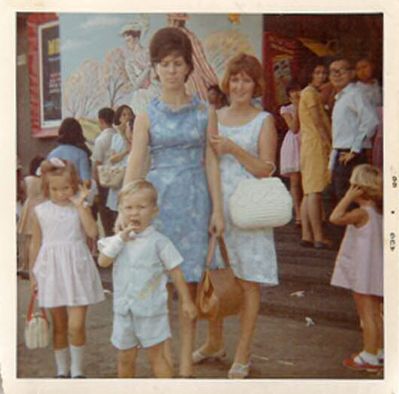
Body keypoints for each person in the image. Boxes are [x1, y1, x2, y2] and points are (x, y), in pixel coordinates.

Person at [118, 27, 223, 377]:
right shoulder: (146, 114)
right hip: (158, 205)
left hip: (195, 202)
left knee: (190, 282)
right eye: (165, 64)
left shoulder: (205, 111)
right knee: (158, 283)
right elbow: (136, 161)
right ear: (155, 68)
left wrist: (218, 209)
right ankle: (161, 361)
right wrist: (126, 208)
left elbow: (211, 159)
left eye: (178, 63)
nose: (172, 70)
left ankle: (186, 365)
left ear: (188, 67)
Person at [194, 53, 278, 379]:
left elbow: (267, 169)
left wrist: (234, 149)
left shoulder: (264, 120)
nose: (240, 86)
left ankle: (242, 351)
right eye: (235, 79)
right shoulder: (213, 115)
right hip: (217, 207)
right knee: (216, 275)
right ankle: (214, 341)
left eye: (247, 80)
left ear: (256, 85)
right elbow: (206, 161)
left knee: (248, 282)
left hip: (250, 211)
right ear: (227, 83)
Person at [98, 180, 197, 378]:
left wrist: (186, 301)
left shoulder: (159, 242)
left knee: (157, 356)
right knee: (125, 358)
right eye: (129, 207)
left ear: (154, 210)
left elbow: (176, 271)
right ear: (120, 210)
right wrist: (120, 239)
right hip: (124, 311)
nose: (135, 213)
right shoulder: (117, 241)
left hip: (152, 311)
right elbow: (103, 261)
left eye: (142, 207)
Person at [29, 158, 105, 378]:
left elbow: (92, 233)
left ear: (75, 185)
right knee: (59, 325)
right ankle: (62, 370)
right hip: (51, 270)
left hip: (76, 268)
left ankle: (78, 370)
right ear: (47, 187)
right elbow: (36, 242)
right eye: (54, 189)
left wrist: (81, 204)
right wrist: (34, 274)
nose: (61, 193)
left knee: (76, 324)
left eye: (66, 188)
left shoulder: (79, 208)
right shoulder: (41, 211)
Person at [330, 164, 383, 372]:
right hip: (376, 270)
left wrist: (347, 199)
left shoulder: (361, 213)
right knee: (376, 313)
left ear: (358, 188)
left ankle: (369, 356)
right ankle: (378, 350)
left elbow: (334, 218)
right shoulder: (380, 213)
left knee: (366, 314)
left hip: (363, 271)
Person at [328, 58, 379, 200]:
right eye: (333, 71)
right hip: (341, 153)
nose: (336, 74)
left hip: (352, 155)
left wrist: (355, 149)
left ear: (351, 74)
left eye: (341, 71)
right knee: (338, 198)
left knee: (350, 201)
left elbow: (371, 121)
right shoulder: (341, 97)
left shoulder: (356, 94)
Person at [298, 62, 332, 249]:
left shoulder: (311, 93)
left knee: (309, 190)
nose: (322, 76)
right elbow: (318, 122)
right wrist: (328, 142)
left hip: (310, 144)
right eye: (317, 72)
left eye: (323, 73)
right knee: (314, 191)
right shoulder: (310, 94)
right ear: (310, 74)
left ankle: (307, 234)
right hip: (315, 144)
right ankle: (318, 236)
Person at [106, 105, 135, 223]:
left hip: (131, 173)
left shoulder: (135, 133)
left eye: (129, 114)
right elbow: (112, 158)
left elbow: (133, 149)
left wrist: (125, 135)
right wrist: (124, 153)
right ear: (119, 118)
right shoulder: (115, 137)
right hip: (119, 176)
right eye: (124, 115)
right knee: (116, 209)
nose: (127, 117)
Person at [279, 81, 303, 225]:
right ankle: (298, 213)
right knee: (295, 182)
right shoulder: (286, 109)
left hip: (306, 141)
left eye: (298, 89)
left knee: (307, 181)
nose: (296, 93)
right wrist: (298, 107)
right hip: (294, 143)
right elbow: (294, 128)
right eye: (293, 91)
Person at [92, 107, 117, 236]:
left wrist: (95, 183)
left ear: (101, 120)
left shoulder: (100, 140)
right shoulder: (118, 136)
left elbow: (97, 162)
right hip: (118, 178)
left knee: (105, 215)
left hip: (104, 180)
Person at [17, 155, 45, 272]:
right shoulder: (44, 180)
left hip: (29, 207)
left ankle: (24, 265)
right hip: (40, 207)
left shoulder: (28, 180)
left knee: (28, 239)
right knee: (38, 238)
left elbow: (22, 192)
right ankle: (34, 265)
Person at [47, 118, 92, 187]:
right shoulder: (81, 154)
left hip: (56, 194)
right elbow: (86, 181)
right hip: (76, 194)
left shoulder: (52, 154)